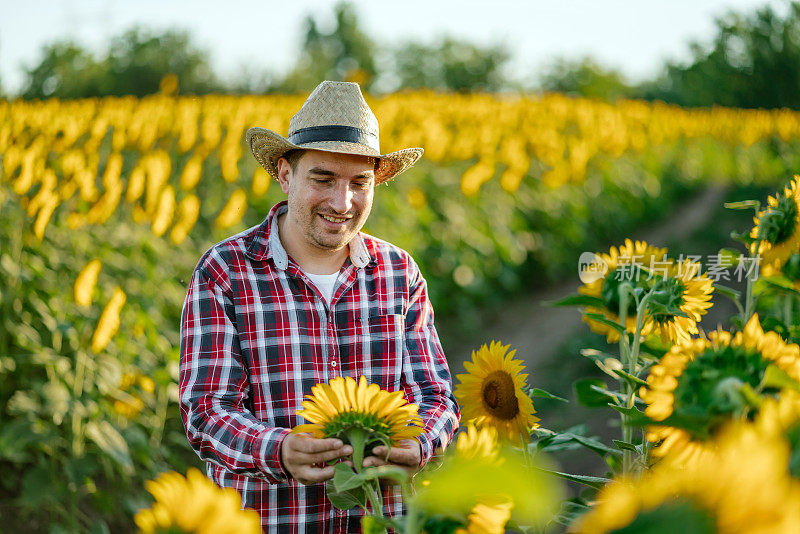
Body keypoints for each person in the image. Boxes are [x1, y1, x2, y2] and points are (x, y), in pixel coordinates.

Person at [179, 80, 459, 532]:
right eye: (323, 179)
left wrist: (421, 443)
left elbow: (436, 394)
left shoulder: (399, 273)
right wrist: (276, 448)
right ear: (286, 174)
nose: (341, 202)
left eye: (359, 183)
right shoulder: (226, 271)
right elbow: (206, 408)